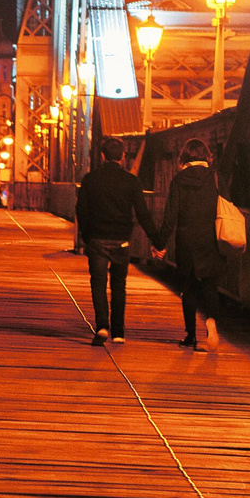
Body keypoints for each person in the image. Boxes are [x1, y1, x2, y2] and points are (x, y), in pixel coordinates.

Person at [75, 137, 162, 346]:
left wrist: (87, 237)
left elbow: (81, 210)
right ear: (123, 157)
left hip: (97, 238)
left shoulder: (90, 179)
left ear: (102, 156)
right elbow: (143, 214)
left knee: (98, 283)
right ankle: (119, 331)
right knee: (118, 285)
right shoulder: (131, 181)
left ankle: (102, 326)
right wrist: (158, 241)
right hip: (121, 240)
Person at [154, 138, 223, 351]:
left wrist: (159, 243)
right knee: (210, 285)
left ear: (184, 157)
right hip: (211, 239)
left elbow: (170, 217)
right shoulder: (215, 178)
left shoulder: (179, 180)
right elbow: (226, 205)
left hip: (186, 241)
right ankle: (211, 322)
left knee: (189, 288)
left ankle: (191, 335)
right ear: (207, 156)